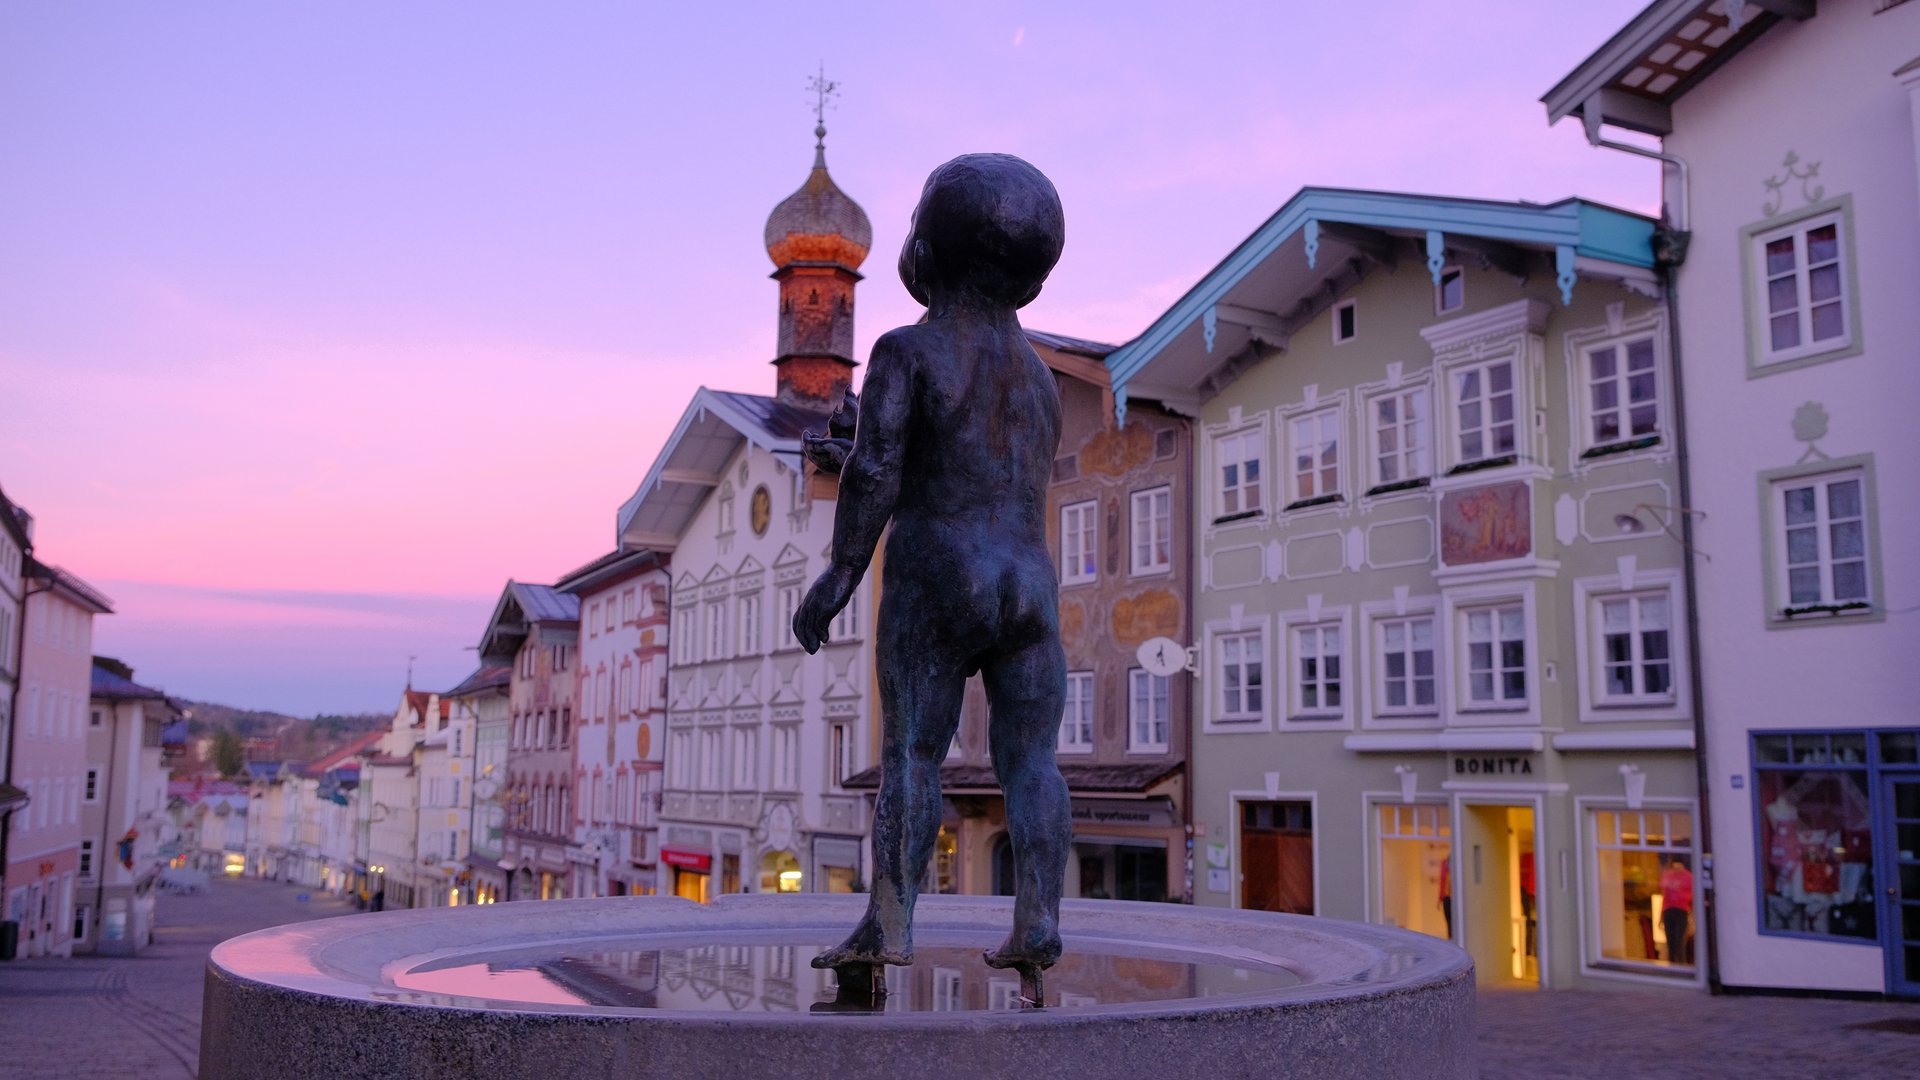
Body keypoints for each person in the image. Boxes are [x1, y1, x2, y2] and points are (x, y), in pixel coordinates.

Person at [795, 153, 1070, 989]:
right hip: (1030, 585)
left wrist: (841, 574)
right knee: (1033, 763)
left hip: (939, 573)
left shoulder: (908, 349)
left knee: (913, 754)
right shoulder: (1043, 380)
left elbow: (878, 467)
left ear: (927, 248)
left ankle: (888, 923)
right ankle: (1038, 921)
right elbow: (992, 469)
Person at [1660, 859, 1693, 964]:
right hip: (1669, 910)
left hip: (1681, 910)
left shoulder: (1688, 877)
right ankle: (1673, 965)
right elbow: (1665, 895)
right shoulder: (1667, 875)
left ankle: (1680, 965)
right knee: (1671, 942)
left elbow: (1692, 897)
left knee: (1679, 942)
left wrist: (1692, 915)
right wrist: (1661, 916)